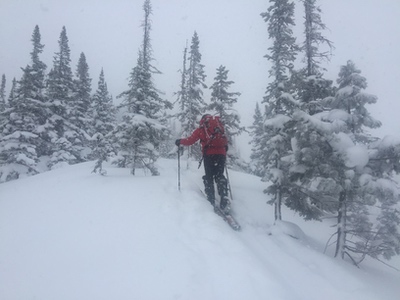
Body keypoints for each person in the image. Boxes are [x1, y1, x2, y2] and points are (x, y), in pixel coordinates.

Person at [175, 114, 230, 213]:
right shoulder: (219, 127)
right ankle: (224, 195)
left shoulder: (202, 129)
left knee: (209, 177)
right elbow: (225, 141)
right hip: (221, 155)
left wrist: (180, 141)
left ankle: (211, 199)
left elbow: (190, 140)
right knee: (219, 175)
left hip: (209, 155)